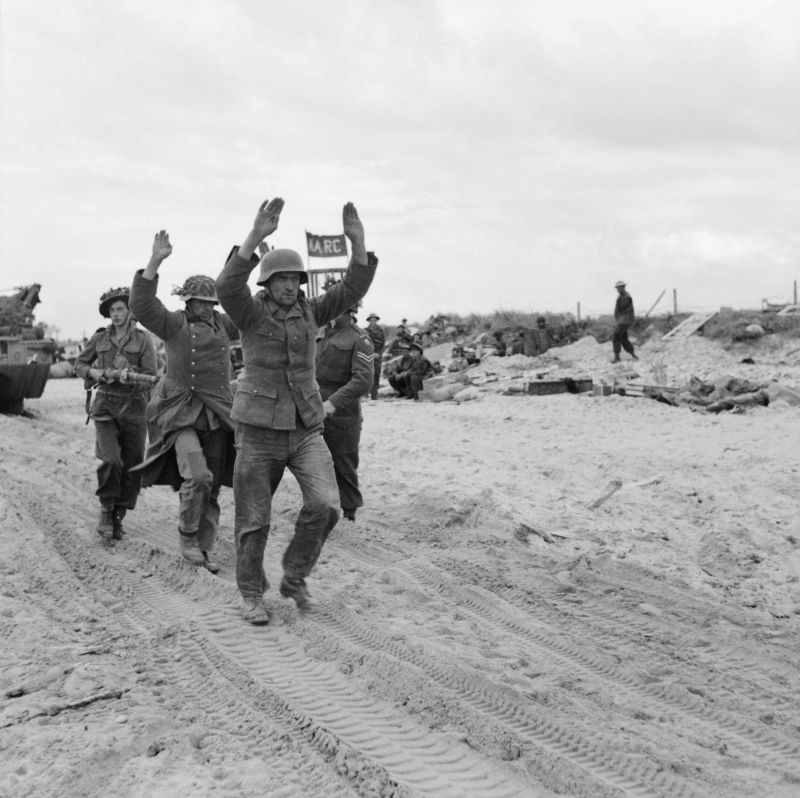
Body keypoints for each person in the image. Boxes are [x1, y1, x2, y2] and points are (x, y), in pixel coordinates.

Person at [215, 198, 377, 625]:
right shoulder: (249, 312)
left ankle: (294, 577)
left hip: (305, 427)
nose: (290, 285)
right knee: (254, 520)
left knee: (326, 505)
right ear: (267, 282)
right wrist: (255, 236)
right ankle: (251, 594)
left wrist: (357, 243)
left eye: (295, 279)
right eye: (282, 279)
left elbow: (352, 289)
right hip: (257, 430)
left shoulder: (311, 310)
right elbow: (227, 286)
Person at [129, 231, 239, 573]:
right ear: (188, 302)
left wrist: (250, 262)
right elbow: (142, 305)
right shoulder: (174, 324)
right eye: (200, 302)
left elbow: (246, 309)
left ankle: (202, 549)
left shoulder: (223, 324)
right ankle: (188, 539)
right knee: (199, 476)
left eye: (211, 303)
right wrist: (155, 260)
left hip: (219, 414)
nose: (207, 308)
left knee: (214, 485)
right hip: (181, 414)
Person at [75, 287, 158, 540]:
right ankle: (106, 509)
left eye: (120, 308)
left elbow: (151, 377)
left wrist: (129, 375)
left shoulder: (143, 340)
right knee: (111, 460)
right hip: (105, 406)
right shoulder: (99, 338)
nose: (116, 314)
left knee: (133, 466)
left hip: (134, 407)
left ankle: (119, 515)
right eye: (112, 310)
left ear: (130, 311)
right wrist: (93, 373)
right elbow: (80, 364)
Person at [315, 306, 374, 522]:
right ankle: (323, 509)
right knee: (317, 463)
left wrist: (333, 403)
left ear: (349, 310)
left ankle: (349, 513)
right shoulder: (321, 334)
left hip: (343, 415)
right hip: (314, 411)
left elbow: (363, 381)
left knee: (344, 463)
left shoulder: (360, 339)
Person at [613, 280, 638, 362]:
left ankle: (617, 357)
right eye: (617, 288)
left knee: (616, 337)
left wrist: (619, 319)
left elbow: (622, 308)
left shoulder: (627, 297)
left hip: (625, 321)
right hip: (622, 321)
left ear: (623, 288)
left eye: (618, 288)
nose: (617, 290)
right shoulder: (621, 297)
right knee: (623, 338)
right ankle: (633, 354)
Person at [365, 313, 385, 399]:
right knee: (366, 375)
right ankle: (365, 393)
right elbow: (362, 344)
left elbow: (383, 345)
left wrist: (379, 354)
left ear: (377, 321)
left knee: (376, 375)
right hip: (366, 356)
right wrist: (369, 353)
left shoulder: (381, 331)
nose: (373, 321)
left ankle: (374, 394)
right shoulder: (364, 331)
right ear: (369, 321)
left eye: (374, 320)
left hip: (377, 357)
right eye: (371, 320)